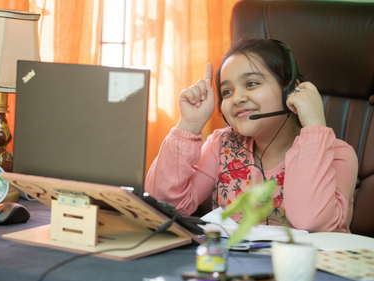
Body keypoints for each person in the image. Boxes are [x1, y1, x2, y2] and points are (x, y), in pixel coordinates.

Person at [145, 37, 358, 233]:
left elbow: (311, 222)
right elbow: (164, 206)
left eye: (251, 84)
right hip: (235, 268)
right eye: (227, 92)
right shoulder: (222, 145)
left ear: (291, 90)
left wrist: (314, 125)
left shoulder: (338, 155)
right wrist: (189, 124)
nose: (237, 98)